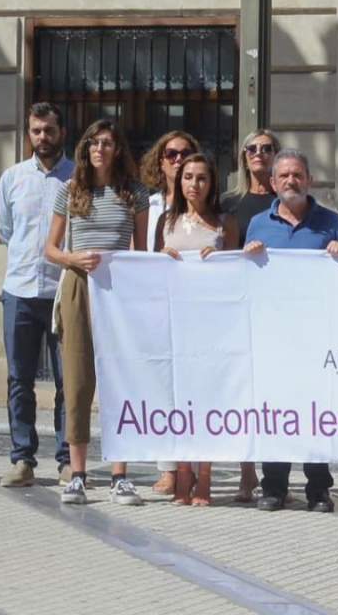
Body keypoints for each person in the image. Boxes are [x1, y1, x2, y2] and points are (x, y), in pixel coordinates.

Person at [45, 119, 149, 506]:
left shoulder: (134, 193)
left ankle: (120, 475)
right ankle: (78, 474)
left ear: (118, 149)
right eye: (93, 142)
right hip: (77, 285)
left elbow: (141, 251)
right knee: (77, 380)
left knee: (119, 379)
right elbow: (50, 249)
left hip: (119, 289)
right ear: (85, 149)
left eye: (107, 143)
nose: (99, 149)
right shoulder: (70, 190)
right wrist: (74, 258)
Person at [242, 148, 338, 512]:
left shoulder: (331, 221)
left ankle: (318, 488)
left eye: (298, 174)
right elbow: (245, 275)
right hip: (272, 334)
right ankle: (273, 486)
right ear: (273, 183)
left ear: (310, 180)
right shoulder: (258, 224)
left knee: (316, 411)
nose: (292, 181)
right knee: (275, 410)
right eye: (284, 175)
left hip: (317, 334)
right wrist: (249, 253)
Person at [0, 103, 75, 487]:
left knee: (68, 381)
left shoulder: (77, 178)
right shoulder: (12, 178)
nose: (42, 137)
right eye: (36, 130)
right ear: (28, 133)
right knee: (19, 379)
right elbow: (6, 230)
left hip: (63, 293)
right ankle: (22, 459)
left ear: (62, 132)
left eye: (49, 130)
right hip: (20, 291)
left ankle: (67, 460)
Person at [155, 153, 240, 505]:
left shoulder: (225, 223)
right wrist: (163, 257)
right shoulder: (166, 221)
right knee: (178, 398)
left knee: (207, 399)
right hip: (175, 322)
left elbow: (237, 274)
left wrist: (218, 261)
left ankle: (204, 475)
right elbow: (152, 270)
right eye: (188, 177)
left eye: (202, 178)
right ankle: (182, 472)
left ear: (212, 183)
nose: (194, 184)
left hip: (211, 324)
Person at [138, 129, 200, 497]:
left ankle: (193, 469)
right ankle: (167, 468)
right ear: (160, 162)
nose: (178, 160)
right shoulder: (148, 206)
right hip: (157, 304)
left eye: (185, 153)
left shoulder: (207, 206)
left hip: (195, 308)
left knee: (194, 386)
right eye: (171, 154)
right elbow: (137, 252)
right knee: (161, 386)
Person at [220, 127, 279, 501]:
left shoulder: (287, 200)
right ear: (243, 156)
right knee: (243, 390)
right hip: (240, 306)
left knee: (273, 392)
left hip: (278, 309)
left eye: (267, 148)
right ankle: (247, 472)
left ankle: (276, 474)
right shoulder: (229, 203)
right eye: (252, 148)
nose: (259, 153)